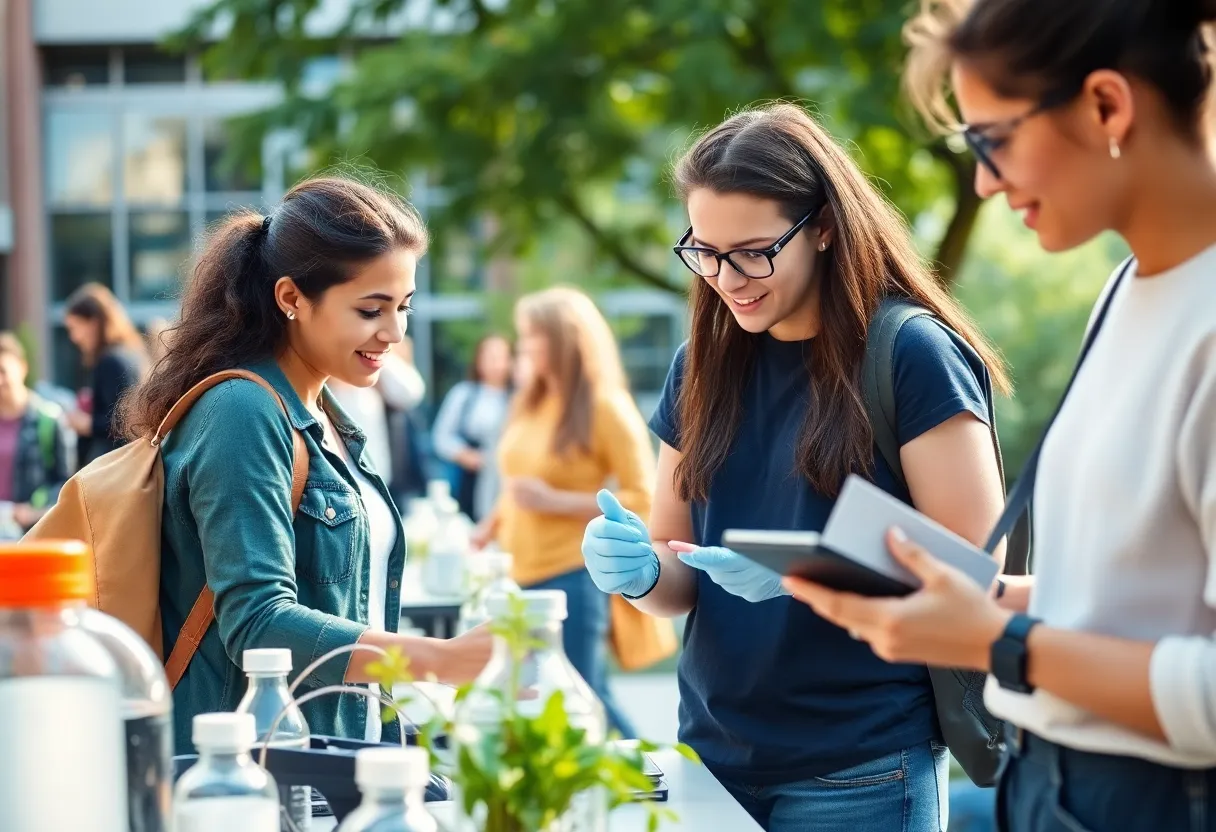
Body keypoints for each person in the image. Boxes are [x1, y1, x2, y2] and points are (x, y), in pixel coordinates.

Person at [779, 2, 1216, 831]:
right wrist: (988, 600)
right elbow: (1142, 594)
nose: (983, 180)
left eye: (992, 140)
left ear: (1107, 105)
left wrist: (996, 641)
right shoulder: (1128, 288)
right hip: (1055, 780)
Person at [580, 103, 1011, 832]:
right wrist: (644, 573)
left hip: (862, 768)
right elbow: (677, 564)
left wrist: (805, 573)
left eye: (753, 251)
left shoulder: (910, 355)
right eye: (705, 252)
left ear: (823, 227)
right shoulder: (699, 367)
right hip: (710, 756)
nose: (727, 278)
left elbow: (975, 573)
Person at [115, 177, 492, 752]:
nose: (395, 332)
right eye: (371, 309)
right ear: (291, 298)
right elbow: (258, 623)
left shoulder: (327, 414)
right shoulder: (241, 413)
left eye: (404, 307)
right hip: (254, 768)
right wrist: (440, 659)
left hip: (335, 753)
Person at [475, 287, 654, 737]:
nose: (522, 347)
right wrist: (487, 529)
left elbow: (643, 498)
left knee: (583, 700)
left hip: (573, 577)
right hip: (519, 575)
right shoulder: (531, 401)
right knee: (540, 702)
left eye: (532, 335)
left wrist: (556, 502)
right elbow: (517, 484)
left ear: (563, 341)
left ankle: (649, 769)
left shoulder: (606, 407)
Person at [63, 283, 147, 463]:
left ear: (93, 323)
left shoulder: (111, 361)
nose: (74, 338)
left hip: (116, 463)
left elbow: (123, 422)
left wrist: (86, 423)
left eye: (75, 328)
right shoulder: (129, 353)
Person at [432, 334, 513, 521]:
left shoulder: (519, 397)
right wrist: (465, 455)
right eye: (490, 357)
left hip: (506, 478)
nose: (496, 364)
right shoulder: (464, 395)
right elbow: (441, 437)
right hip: (472, 480)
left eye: (501, 357)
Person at [0, 333, 72, 534]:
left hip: (30, 532)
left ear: (23, 368)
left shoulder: (48, 419)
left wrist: (34, 512)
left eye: (3, 371)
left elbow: (66, 484)